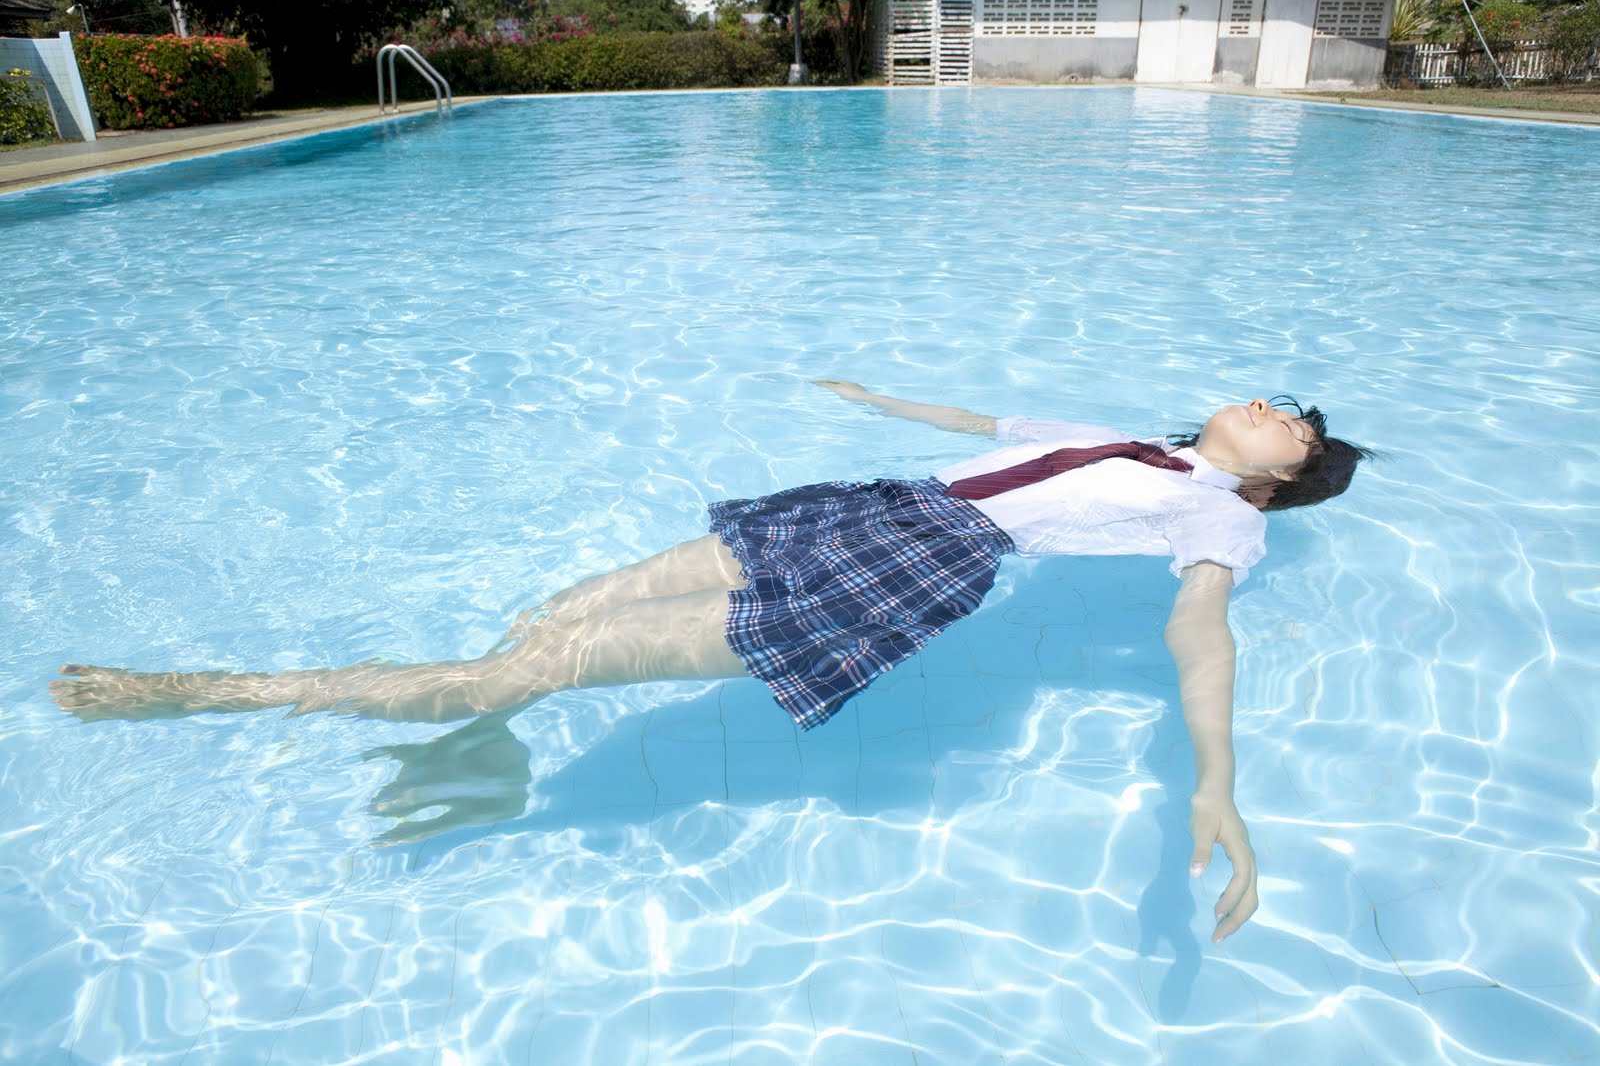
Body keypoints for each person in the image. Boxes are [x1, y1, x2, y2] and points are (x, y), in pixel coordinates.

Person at [50, 379, 1371, 941]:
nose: (1261, 404)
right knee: (550, 618)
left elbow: (1200, 633)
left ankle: (209, 693)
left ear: (1288, 471)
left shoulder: (1216, 518)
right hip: (870, 502)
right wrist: (882, 402)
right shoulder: (1145, 443)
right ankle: (489, 747)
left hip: (904, 563)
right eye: (1269, 395)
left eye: (1285, 417)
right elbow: (993, 425)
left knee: (553, 663)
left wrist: (1216, 785)